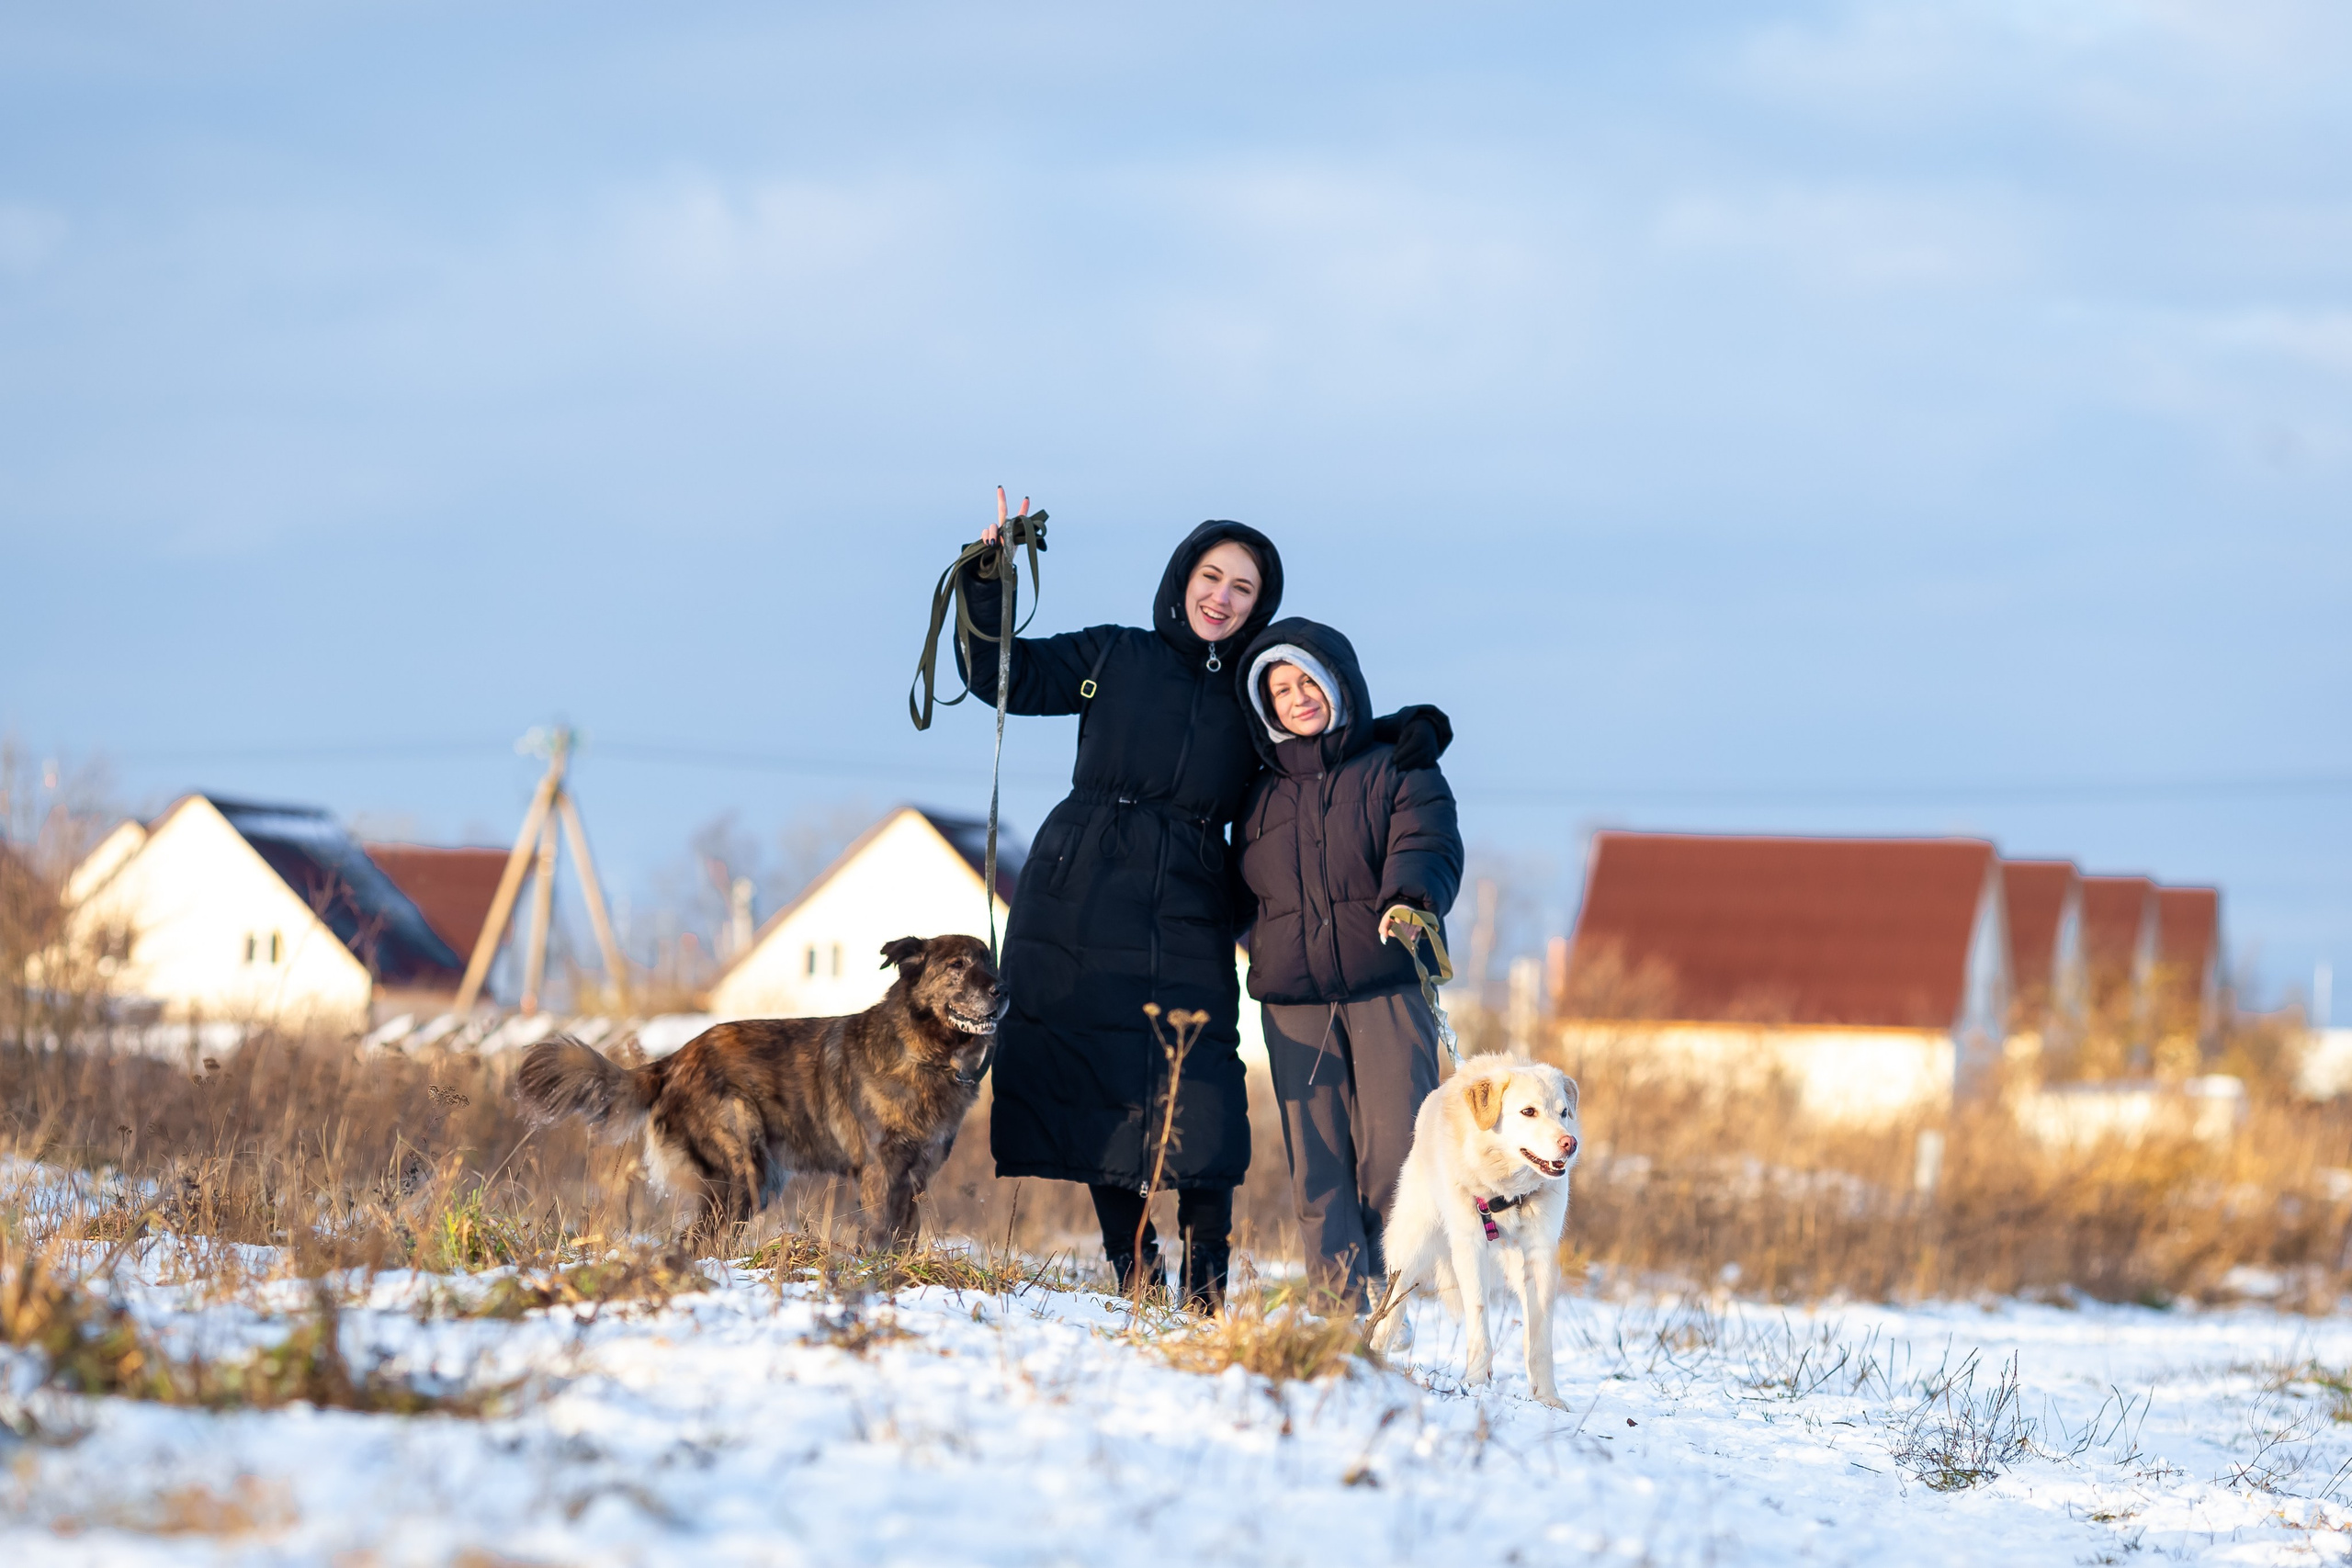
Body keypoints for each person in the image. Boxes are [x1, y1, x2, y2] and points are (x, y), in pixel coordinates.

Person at [952, 515, 1447, 1311]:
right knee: (1096, 1076)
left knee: (1201, 1080)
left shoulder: (1252, 696)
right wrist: (986, 574)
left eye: (1243, 587)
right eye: (1212, 577)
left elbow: (1319, 746)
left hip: (1190, 890)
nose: (1222, 596)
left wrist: (1405, 733)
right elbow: (1000, 672)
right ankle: (1136, 1267)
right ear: (1184, 578)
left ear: (1259, 606)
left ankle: (1208, 1275)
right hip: (1081, 884)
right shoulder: (1113, 655)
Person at [1234, 616, 1464, 1310]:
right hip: (1292, 998)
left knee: (1397, 1147)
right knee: (1318, 1160)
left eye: (1309, 680)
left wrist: (1409, 901)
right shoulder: (1256, 791)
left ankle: (1386, 1284)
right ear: (1263, 705)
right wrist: (1264, 938)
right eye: (1280, 688)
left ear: (1340, 683)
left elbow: (1427, 842)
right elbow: (1237, 884)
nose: (1297, 696)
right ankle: (1339, 1305)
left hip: (1386, 980)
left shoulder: (1398, 763)